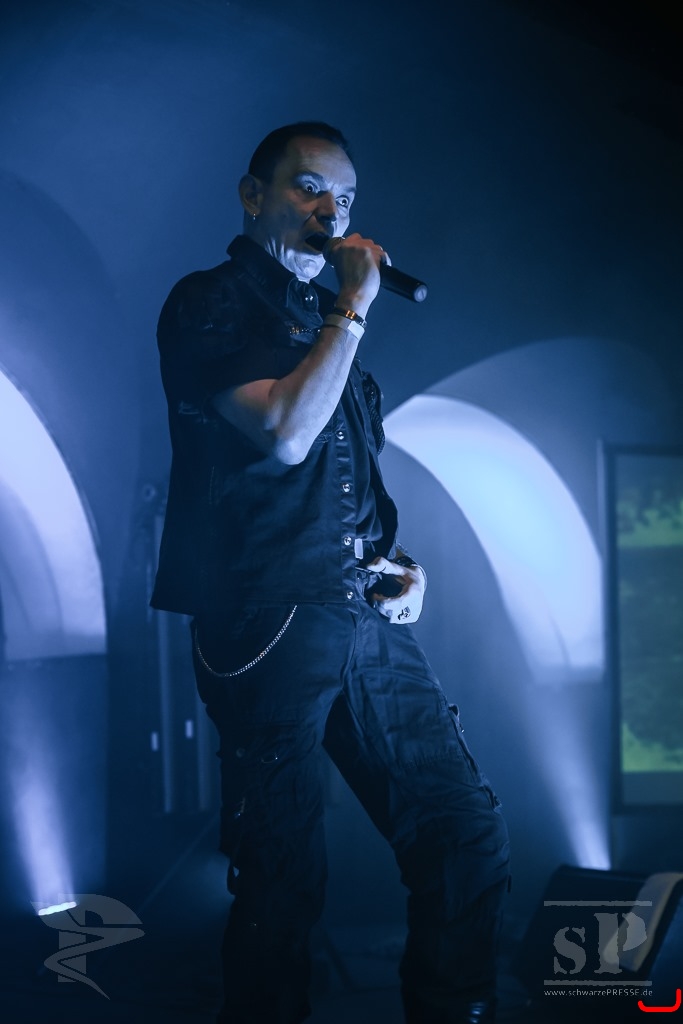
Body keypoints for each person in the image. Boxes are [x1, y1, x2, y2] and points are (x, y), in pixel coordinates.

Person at [151, 121, 510, 1024]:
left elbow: (341, 484)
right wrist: (351, 308)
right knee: (281, 878)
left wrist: (398, 561)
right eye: (309, 188)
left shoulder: (327, 323)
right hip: (267, 616)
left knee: (460, 829)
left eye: (344, 198)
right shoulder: (210, 302)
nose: (330, 211)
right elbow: (283, 434)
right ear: (253, 195)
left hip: (356, 609)